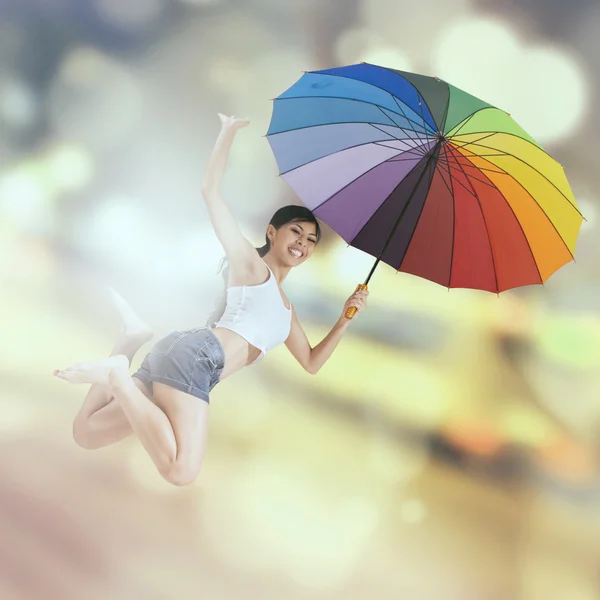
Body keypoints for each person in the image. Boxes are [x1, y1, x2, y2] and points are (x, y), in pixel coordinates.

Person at [54, 114, 369, 487]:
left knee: (86, 433)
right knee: (181, 470)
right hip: (197, 361)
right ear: (272, 232)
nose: (302, 243)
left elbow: (312, 362)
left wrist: (346, 318)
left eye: (310, 239)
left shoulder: (287, 311)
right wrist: (227, 132)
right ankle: (116, 375)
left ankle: (130, 339)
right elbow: (210, 192)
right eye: (295, 232)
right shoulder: (251, 266)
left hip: (184, 357)